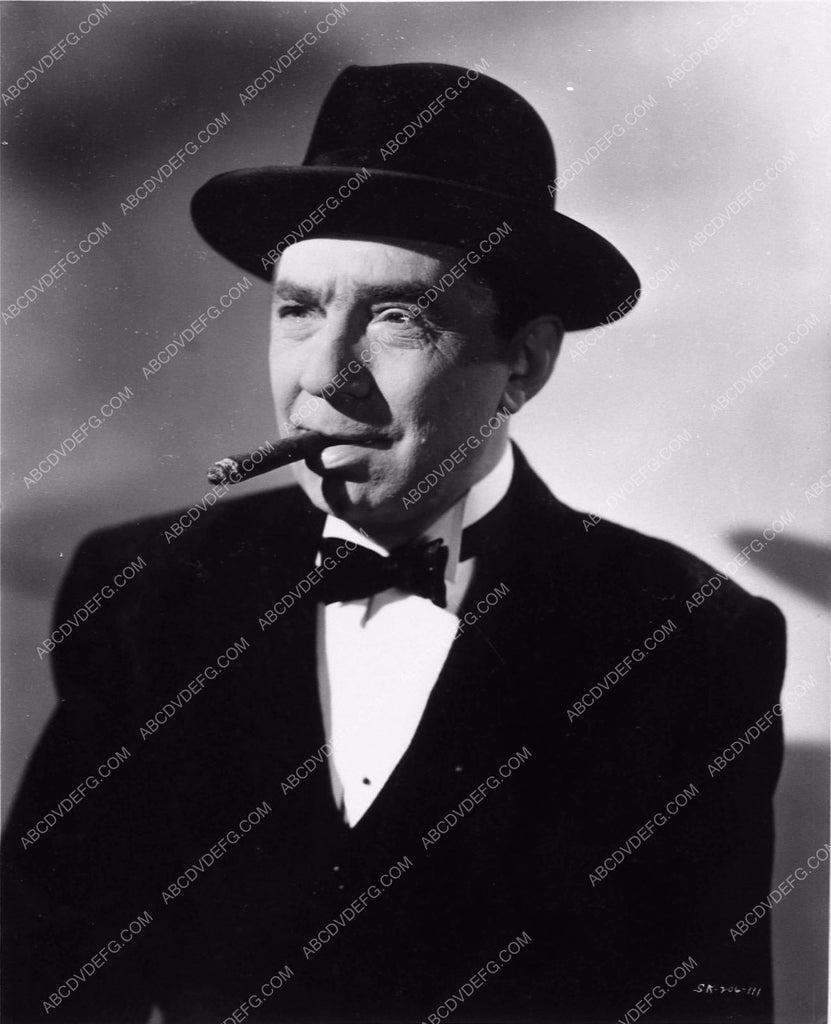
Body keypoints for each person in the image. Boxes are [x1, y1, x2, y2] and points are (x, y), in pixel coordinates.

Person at [2, 63, 785, 1024]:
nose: (323, 378)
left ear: (524, 361)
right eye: (299, 310)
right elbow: (40, 982)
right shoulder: (142, 595)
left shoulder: (691, 642)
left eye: (398, 319)